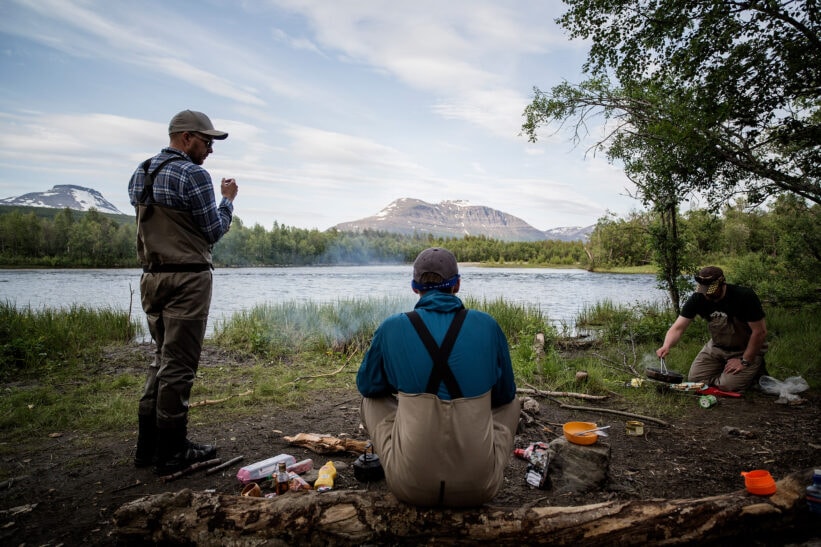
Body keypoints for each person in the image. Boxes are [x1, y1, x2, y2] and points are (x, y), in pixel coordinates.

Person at [356, 247, 521, 507]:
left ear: (414, 287)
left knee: (370, 400)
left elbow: (368, 386)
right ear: (457, 285)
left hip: (409, 486)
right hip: (479, 487)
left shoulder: (392, 327)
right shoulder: (487, 325)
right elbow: (504, 395)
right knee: (512, 403)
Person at [128, 110, 238, 475]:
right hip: (188, 279)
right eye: (207, 142)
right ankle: (173, 450)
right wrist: (228, 201)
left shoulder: (142, 172)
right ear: (186, 137)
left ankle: (147, 447)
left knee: (160, 359)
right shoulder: (193, 174)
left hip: (152, 278)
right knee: (180, 367)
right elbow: (212, 231)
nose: (210, 150)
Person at [656, 266, 767, 393]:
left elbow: (760, 332)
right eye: (703, 289)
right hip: (716, 347)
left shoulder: (744, 296)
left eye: (710, 290)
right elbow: (677, 328)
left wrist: (744, 361)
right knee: (695, 381)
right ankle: (725, 372)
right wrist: (666, 345)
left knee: (728, 387)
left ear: (721, 283)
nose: (706, 293)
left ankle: (753, 372)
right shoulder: (698, 297)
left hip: (744, 349)